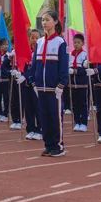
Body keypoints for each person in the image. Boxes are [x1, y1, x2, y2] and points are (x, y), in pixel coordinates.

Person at [30, 11, 69, 156]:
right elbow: (34, 65)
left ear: (55, 22)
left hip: (54, 88)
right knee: (44, 117)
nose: (44, 23)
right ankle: (48, 145)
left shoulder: (60, 42)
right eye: (43, 20)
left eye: (47, 20)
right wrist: (33, 81)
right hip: (40, 87)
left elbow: (63, 66)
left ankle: (58, 146)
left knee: (55, 117)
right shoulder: (39, 42)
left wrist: (61, 84)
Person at [15, 29, 42, 141]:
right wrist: (18, 72)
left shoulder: (40, 52)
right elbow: (23, 66)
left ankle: (39, 129)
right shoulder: (25, 52)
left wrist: (25, 76)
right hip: (26, 85)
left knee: (38, 107)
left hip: (36, 83)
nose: (34, 40)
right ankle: (30, 129)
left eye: (37, 38)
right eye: (32, 37)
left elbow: (36, 69)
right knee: (28, 107)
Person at [68, 33, 93, 132]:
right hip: (72, 84)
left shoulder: (85, 55)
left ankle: (83, 123)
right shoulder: (70, 55)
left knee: (82, 104)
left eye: (78, 42)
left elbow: (85, 70)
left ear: (82, 43)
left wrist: (75, 71)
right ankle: (77, 122)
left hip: (82, 84)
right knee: (74, 104)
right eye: (74, 43)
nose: (76, 44)